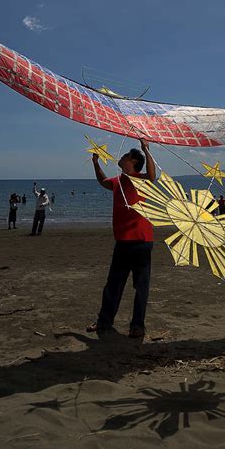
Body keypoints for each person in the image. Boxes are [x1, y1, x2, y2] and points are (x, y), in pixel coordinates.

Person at [87, 139, 156, 338]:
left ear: (132, 161)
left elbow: (152, 176)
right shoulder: (117, 181)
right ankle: (104, 321)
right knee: (113, 284)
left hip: (142, 240)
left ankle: (137, 326)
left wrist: (146, 150)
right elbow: (102, 181)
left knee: (140, 286)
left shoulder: (142, 180)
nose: (122, 157)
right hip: (122, 241)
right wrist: (95, 162)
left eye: (126, 155)